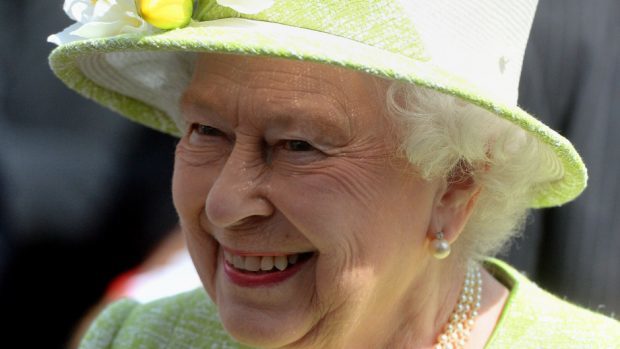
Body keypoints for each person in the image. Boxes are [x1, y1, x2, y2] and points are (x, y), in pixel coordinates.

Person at [47, 0, 620, 348]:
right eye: (206, 131)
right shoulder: (135, 341)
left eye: (297, 144)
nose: (225, 203)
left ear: (455, 184)